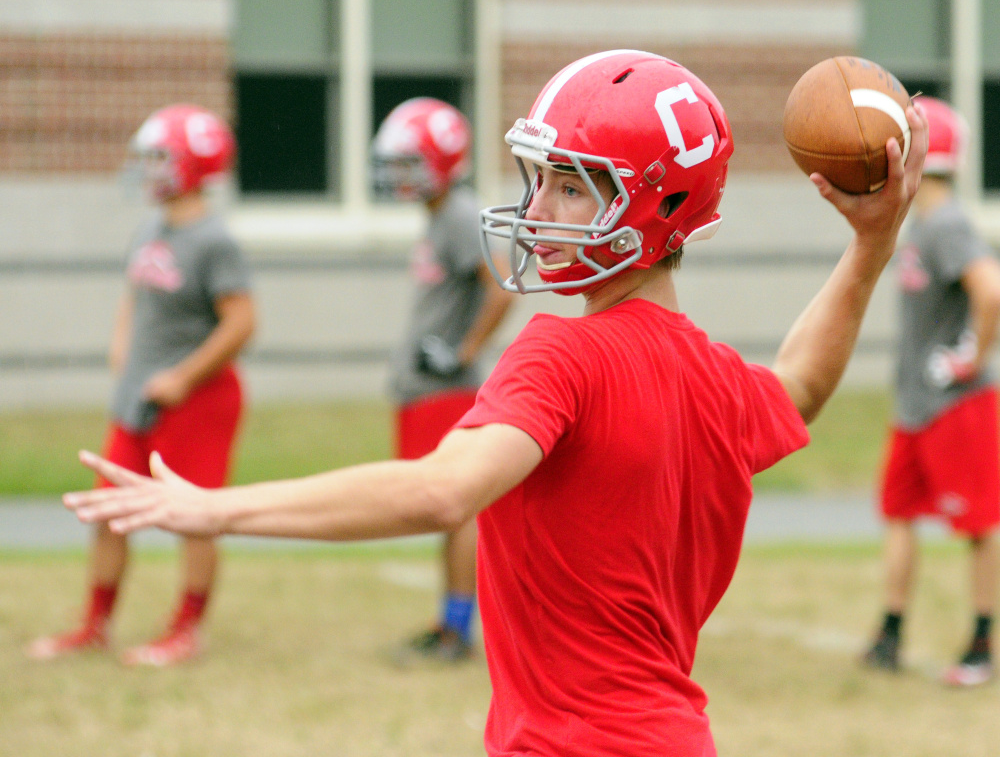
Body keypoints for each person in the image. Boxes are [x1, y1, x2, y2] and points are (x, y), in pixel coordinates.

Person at [62, 50, 926, 754]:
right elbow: (801, 387)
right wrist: (871, 245)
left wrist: (216, 509)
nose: (537, 208)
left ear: (661, 204)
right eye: (540, 177)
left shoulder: (560, 351)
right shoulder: (713, 373)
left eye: (574, 185)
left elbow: (443, 490)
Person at [27, 104, 256, 667]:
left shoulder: (214, 239)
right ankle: (95, 625)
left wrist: (181, 376)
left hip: (197, 401)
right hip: (139, 398)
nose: (148, 169)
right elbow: (135, 298)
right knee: (108, 511)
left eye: (160, 158)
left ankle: (186, 630)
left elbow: (242, 322)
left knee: (195, 518)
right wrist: (122, 351)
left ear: (194, 164)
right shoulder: (151, 226)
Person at [861, 95, 1000, 687]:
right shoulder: (919, 223)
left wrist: (971, 354)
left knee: (977, 525)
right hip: (913, 404)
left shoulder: (946, 225)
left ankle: (980, 645)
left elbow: (990, 290)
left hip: (956, 404)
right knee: (897, 513)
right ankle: (890, 634)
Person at [371, 97, 515, 662]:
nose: (397, 175)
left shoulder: (458, 214)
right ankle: (449, 623)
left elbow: (500, 288)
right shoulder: (439, 216)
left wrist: (463, 352)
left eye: (409, 162)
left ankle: (457, 631)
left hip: (446, 390)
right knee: (442, 512)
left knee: (454, 511)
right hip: (426, 389)